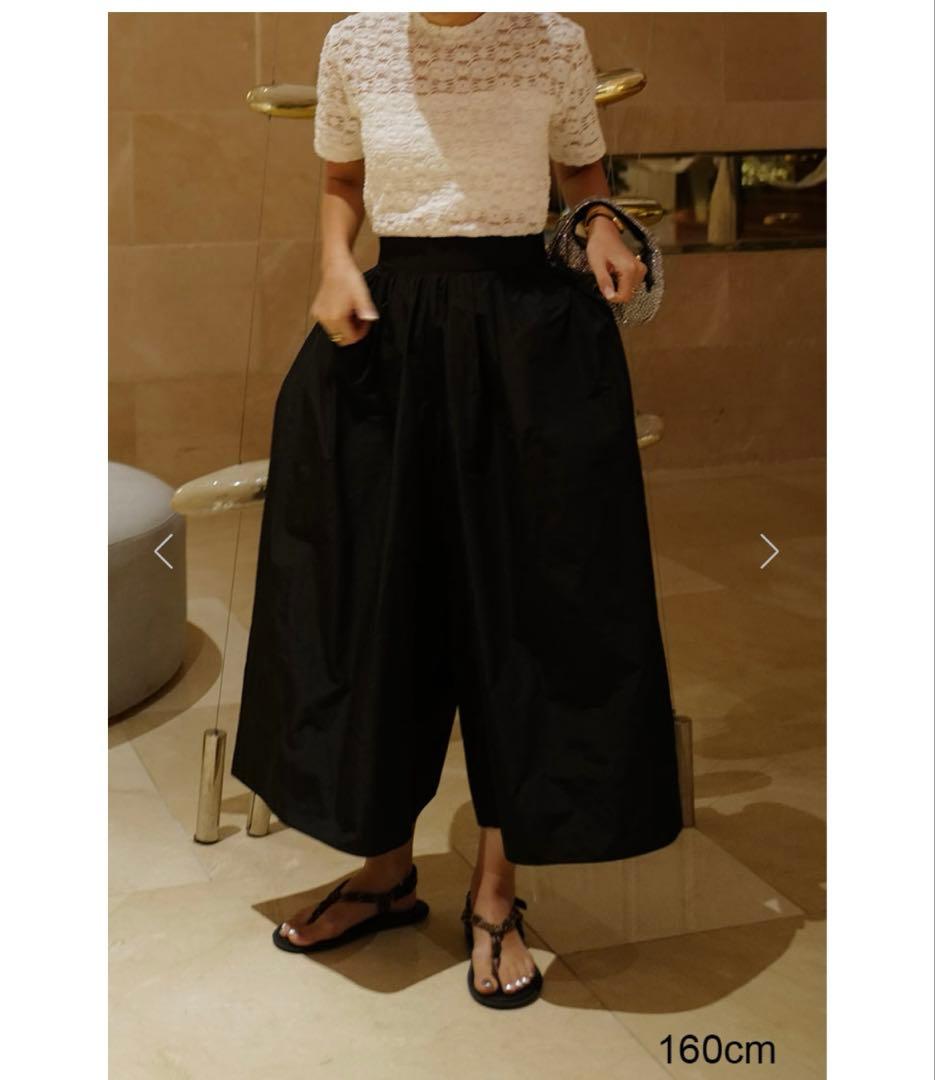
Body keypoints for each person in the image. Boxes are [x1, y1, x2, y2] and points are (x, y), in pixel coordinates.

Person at [231, 11, 683, 1009]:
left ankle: (494, 891)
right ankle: (385, 872)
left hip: (528, 340)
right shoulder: (356, 41)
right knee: (376, 600)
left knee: (525, 611)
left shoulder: (549, 38)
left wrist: (601, 223)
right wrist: (335, 261)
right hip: (389, 333)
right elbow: (342, 182)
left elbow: (580, 171)